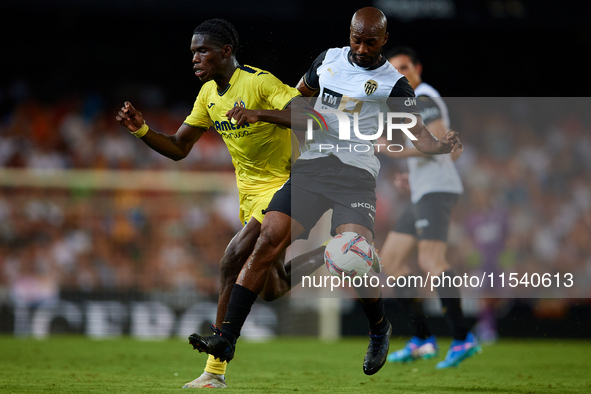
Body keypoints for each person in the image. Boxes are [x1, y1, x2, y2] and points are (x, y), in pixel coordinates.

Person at [188, 8, 463, 378]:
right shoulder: (327, 60)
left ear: (383, 40)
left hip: (356, 175)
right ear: (349, 34)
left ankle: (379, 328)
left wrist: (441, 146)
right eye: (356, 39)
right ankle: (227, 338)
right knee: (267, 241)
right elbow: (299, 100)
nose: (362, 48)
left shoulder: (394, 84)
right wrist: (275, 118)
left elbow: (418, 134)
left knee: (352, 256)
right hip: (313, 167)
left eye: (370, 42)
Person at [116, 19, 324, 389]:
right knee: (273, 288)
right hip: (249, 195)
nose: (195, 59)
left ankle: (214, 370)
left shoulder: (259, 82)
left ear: (226, 51)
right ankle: (333, 255)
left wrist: (259, 113)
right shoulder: (208, 95)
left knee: (232, 259)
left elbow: (310, 118)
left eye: (203, 51)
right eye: (192, 53)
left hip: (288, 184)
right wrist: (142, 130)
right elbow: (180, 147)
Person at [379, 46, 480, 369]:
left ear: (417, 68)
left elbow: (435, 142)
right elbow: (441, 149)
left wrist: (394, 151)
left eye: (405, 66)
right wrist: (413, 178)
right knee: (392, 261)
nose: (401, 73)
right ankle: (422, 339)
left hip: (436, 191)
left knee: (431, 260)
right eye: (395, 70)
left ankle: (463, 337)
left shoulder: (423, 96)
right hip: (424, 190)